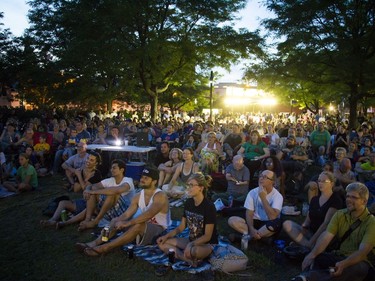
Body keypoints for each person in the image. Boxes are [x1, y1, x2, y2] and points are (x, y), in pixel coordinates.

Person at [75, 167, 170, 256]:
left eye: (146, 178)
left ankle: (105, 248)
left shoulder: (160, 196)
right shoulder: (138, 195)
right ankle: (96, 242)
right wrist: (119, 220)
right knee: (114, 220)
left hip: (159, 229)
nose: (142, 179)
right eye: (142, 177)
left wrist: (128, 223)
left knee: (138, 225)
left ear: (154, 181)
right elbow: (127, 214)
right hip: (143, 225)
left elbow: (149, 214)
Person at [300, 182, 375, 281]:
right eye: (347, 196)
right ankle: (309, 277)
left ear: (364, 201)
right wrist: (312, 254)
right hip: (339, 256)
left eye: (354, 197)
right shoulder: (340, 214)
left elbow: (362, 253)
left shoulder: (371, 222)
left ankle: (311, 278)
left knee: (353, 269)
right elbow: (326, 236)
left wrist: (344, 264)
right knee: (318, 258)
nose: (348, 200)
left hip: (359, 262)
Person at [156, 173, 217, 276]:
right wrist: (166, 236)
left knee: (194, 251)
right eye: (187, 185)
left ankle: (190, 256)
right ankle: (188, 260)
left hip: (206, 244)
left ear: (200, 188)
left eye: (191, 185)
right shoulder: (188, 203)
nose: (188, 188)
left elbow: (208, 236)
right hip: (191, 240)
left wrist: (190, 244)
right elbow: (181, 227)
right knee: (162, 243)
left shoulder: (209, 207)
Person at [40, 151, 103, 228]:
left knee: (87, 209)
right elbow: (76, 189)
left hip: (91, 202)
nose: (88, 161)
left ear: (96, 163)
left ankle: (66, 222)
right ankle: (52, 220)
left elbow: (85, 189)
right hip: (83, 200)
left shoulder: (96, 174)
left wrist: (79, 176)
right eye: (88, 158)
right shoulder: (82, 170)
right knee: (63, 202)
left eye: (91, 160)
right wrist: (83, 178)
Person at [283, 172, 343, 249]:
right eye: (319, 181)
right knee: (287, 224)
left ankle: (307, 245)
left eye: (324, 181)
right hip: (312, 232)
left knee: (323, 236)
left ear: (331, 183)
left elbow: (326, 224)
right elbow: (308, 219)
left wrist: (312, 240)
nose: (320, 183)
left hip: (325, 235)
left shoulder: (335, 200)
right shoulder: (315, 199)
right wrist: (303, 228)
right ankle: (308, 246)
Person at [77, 159, 135, 230]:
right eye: (111, 168)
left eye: (114, 168)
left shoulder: (128, 180)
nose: (111, 170)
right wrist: (88, 190)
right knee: (92, 193)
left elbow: (117, 190)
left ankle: (96, 221)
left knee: (112, 193)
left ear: (122, 170)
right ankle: (87, 219)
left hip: (125, 212)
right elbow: (93, 186)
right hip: (111, 210)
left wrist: (94, 192)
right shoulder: (110, 180)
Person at [227, 170, 283, 242]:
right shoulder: (252, 192)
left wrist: (263, 198)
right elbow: (249, 213)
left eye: (265, 177)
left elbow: (272, 217)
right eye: (261, 176)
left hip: (268, 224)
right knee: (232, 220)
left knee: (276, 224)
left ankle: (246, 238)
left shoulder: (277, 196)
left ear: (273, 182)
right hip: (254, 221)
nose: (261, 178)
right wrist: (251, 228)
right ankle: (260, 238)